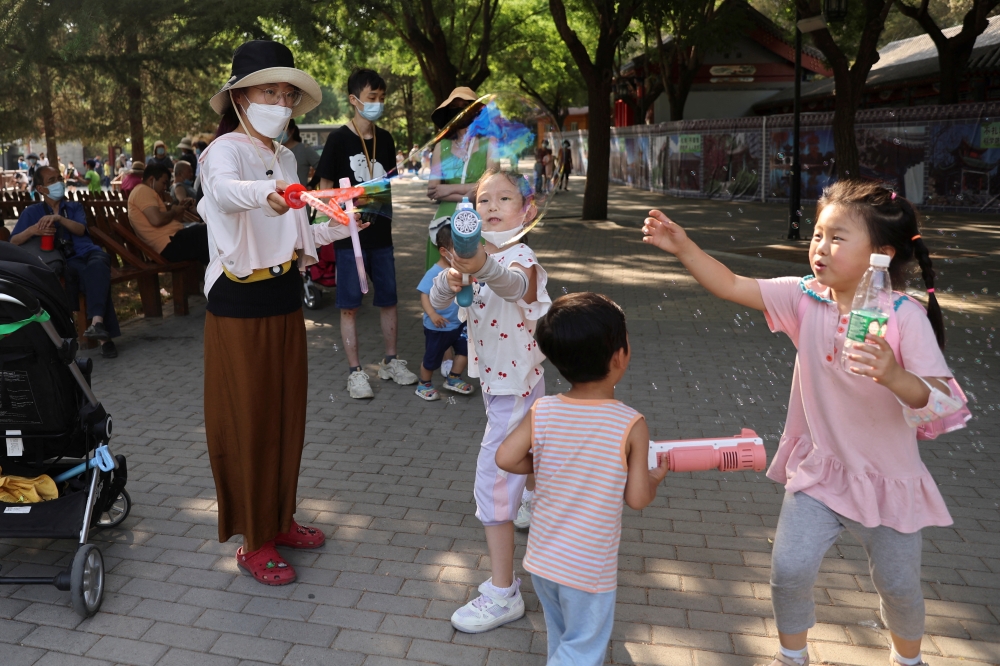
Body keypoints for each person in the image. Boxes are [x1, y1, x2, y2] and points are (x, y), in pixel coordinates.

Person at [641, 181, 966, 666]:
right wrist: (683, 245)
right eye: (818, 234)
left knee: (898, 586)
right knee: (788, 570)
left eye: (837, 238)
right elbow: (732, 285)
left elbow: (941, 399)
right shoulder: (805, 299)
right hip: (820, 472)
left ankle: (908, 659)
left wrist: (895, 376)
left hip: (887, 481)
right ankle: (792, 657)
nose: (821, 247)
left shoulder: (904, 317)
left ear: (881, 254)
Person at [199, 39, 360, 585]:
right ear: (241, 96)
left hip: (283, 295)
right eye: (271, 91)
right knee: (248, 418)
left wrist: (343, 218)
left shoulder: (285, 155)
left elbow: (299, 226)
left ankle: (281, 518)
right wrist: (270, 194)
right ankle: (254, 540)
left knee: (286, 414)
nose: (282, 102)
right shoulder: (223, 151)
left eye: (288, 94)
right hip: (239, 301)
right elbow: (225, 194)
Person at [496, 292, 669, 664]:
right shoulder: (630, 423)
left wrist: (543, 463)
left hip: (543, 561)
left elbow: (506, 457)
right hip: (588, 568)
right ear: (619, 356)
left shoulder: (543, 410)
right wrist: (655, 477)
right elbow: (638, 498)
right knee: (583, 648)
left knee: (563, 637)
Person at [428, 167, 550, 633]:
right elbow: (440, 303)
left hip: (515, 386)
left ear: (526, 210)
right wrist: (451, 279)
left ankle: (504, 593)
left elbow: (515, 286)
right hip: (505, 386)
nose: (493, 207)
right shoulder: (473, 256)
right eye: (483, 200)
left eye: (504, 199)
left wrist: (478, 265)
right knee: (527, 464)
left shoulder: (521, 257)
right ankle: (538, 503)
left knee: (492, 485)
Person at [315, 68, 417, 399]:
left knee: (388, 301)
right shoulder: (337, 139)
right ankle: (355, 372)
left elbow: (388, 183)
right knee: (349, 306)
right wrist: (340, 218)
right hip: (348, 241)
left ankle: (391, 360)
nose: (377, 104)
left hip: (381, 236)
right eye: (372, 98)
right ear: (354, 100)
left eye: (382, 99)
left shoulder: (385, 139)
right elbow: (324, 190)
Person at [11, 166, 120, 358]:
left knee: (98, 263)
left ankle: (97, 324)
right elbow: (13, 241)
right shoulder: (32, 212)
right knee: (94, 276)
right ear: (41, 189)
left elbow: (79, 230)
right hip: (66, 260)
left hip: (88, 252)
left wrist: (59, 218)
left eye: (59, 178)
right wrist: (33, 230)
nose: (58, 183)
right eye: (51, 180)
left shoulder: (73, 207)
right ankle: (101, 332)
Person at [425, 86, 493, 270]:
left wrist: (446, 189)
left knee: (476, 283)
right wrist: (471, 191)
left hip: (478, 221)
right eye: (456, 107)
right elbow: (432, 190)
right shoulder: (441, 146)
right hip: (444, 222)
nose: (462, 111)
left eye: (467, 106)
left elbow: (489, 189)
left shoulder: (490, 144)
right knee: (441, 282)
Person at [414, 223, 475, 401]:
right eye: (458, 250)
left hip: (459, 323)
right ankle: (424, 384)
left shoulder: (462, 271)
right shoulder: (435, 272)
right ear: (443, 251)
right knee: (432, 358)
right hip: (438, 326)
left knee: (465, 352)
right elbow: (424, 295)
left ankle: (453, 378)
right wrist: (432, 314)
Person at [128, 163, 207, 265]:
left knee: (209, 236)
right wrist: (174, 211)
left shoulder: (145, 192)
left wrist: (180, 209)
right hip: (168, 244)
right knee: (209, 233)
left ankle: (217, 276)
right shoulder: (142, 190)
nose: (165, 187)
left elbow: (167, 223)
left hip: (171, 241)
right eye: (163, 183)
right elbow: (157, 220)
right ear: (151, 179)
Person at [281, 119, 319, 186]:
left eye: (282, 129)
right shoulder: (273, 150)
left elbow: (322, 168)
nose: (278, 132)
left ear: (291, 131)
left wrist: (311, 185)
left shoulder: (304, 149)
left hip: (298, 194)